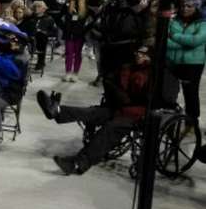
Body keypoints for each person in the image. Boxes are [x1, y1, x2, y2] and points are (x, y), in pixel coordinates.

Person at [37, 46, 159, 175]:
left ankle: (78, 164)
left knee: (109, 129)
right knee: (91, 112)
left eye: (143, 55)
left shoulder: (152, 74)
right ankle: (57, 111)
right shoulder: (129, 68)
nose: (139, 56)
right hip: (119, 107)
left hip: (136, 114)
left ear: (150, 58)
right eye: (138, 53)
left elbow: (145, 96)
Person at [167, 0, 205, 134]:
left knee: (190, 93)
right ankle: (169, 120)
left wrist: (175, 37)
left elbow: (196, 41)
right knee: (168, 91)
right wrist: (184, 44)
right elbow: (165, 40)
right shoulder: (174, 20)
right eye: (183, 5)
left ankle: (191, 123)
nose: (185, 8)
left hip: (192, 64)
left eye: (189, 6)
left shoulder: (202, 23)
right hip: (173, 61)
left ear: (196, 8)